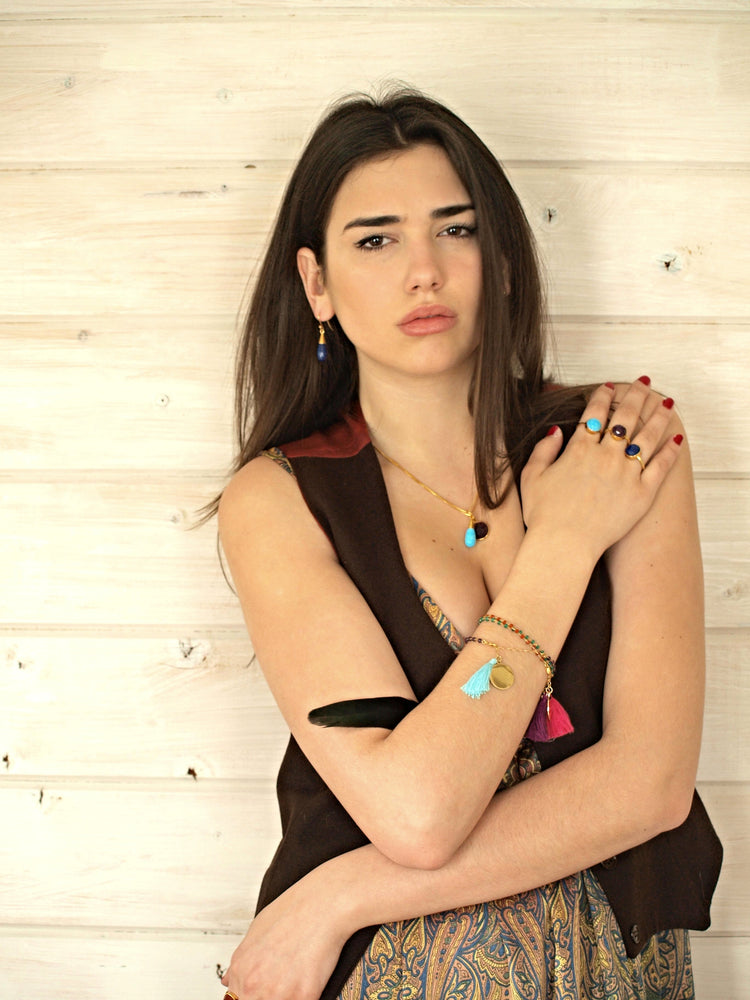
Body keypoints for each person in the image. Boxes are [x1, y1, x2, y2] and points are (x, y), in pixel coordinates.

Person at [214, 88, 721, 1000]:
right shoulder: (283, 498)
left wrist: (336, 896)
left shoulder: (623, 443)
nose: (425, 272)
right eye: (376, 241)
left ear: (504, 258)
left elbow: (651, 784)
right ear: (316, 283)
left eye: (456, 230)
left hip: (621, 971)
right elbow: (416, 813)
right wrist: (564, 546)